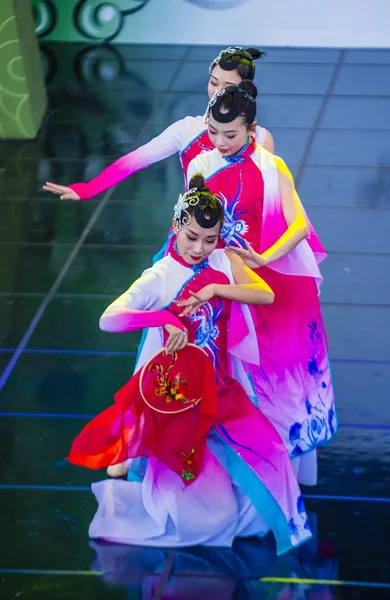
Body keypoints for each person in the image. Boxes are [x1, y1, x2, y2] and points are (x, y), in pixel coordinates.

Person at [68, 175, 312, 555]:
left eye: (210, 239)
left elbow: (263, 293)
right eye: (192, 236)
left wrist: (216, 288)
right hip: (178, 394)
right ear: (177, 225)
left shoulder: (224, 259)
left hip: (219, 381)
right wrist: (162, 318)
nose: (200, 248)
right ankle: (138, 466)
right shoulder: (161, 276)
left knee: (273, 454)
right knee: (205, 509)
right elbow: (109, 319)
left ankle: (286, 535)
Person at [182, 82, 337, 487]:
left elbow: (299, 224)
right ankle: (229, 462)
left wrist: (265, 257)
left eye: (230, 134)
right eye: (213, 132)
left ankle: (274, 467)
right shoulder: (201, 165)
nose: (219, 142)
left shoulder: (271, 166)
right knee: (226, 364)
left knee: (273, 366)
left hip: (271, 279)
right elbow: (190, 222)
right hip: (220, 269)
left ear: (252, 129)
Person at [43, 46, 274, 201]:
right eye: (214, 83)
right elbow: (134, 160)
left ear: (244, 88)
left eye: (227, 86)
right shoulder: (187, 130)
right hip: (195, 232)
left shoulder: (261, 139)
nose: (217, 92)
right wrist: (88, 189)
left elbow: (267, 195)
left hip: (243, 235)